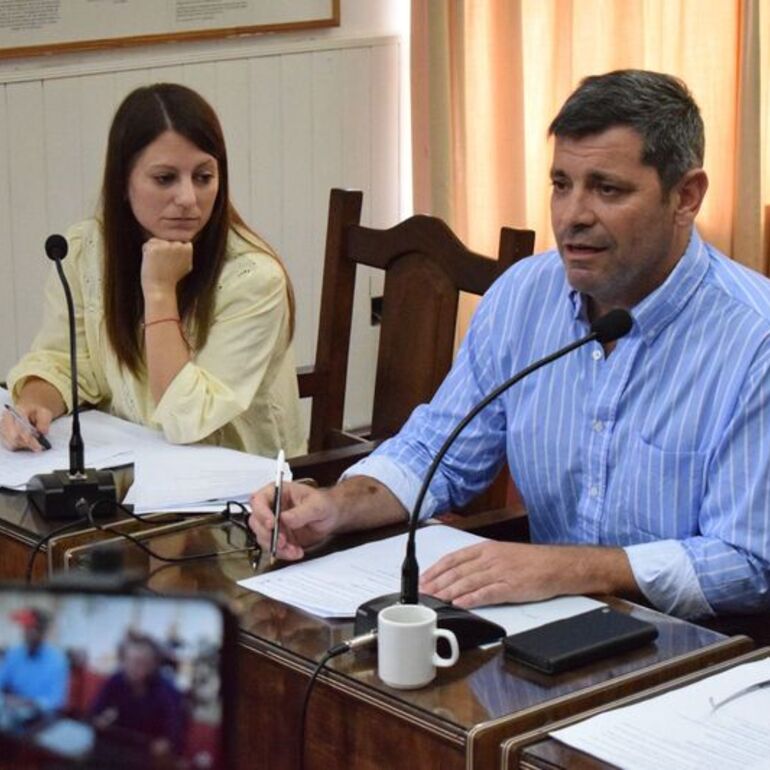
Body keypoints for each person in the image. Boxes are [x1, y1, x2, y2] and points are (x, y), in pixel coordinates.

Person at [249, 69, 770, 621]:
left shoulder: (753, 337)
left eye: (607, 189)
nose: (573, 216)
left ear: (685, 196)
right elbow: (437, 453)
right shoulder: (525, 295)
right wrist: (336, 506)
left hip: (704, 657)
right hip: (546, 626)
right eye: (561, 184)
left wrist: (566, 568)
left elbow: (747, 561)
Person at [0, 83, 304, 458]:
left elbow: (187, 420)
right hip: (131, 473)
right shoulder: (86, 251)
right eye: (165, 179)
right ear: (122, 183)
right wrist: (35, 404)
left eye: (204, 177)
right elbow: (63, 360)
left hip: (238, 495)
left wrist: (159, 292)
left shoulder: (254, 278)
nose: (188, 199)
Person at [88, 633, 185, 759]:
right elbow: (94, 711)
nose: (133, 667)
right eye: (128, 661)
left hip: (148, 753)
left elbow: (175, 734)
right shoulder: (116, 680)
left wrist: (166, 743)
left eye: (141, 662)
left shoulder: (168, 691)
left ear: (154, 665)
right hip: (114, 744)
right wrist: (99, 719)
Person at [0, 608, 69, 715]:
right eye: (25, 628)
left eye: (32, 628)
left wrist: (28, 703)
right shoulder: (14, 653)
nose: (26, 632)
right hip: (12, 711)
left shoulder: (57, 660)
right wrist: (6, 700)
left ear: (43, 631)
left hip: (42, 716)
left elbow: (56, 701)